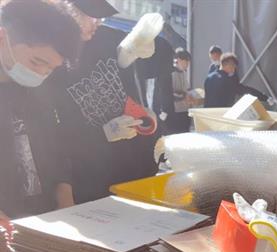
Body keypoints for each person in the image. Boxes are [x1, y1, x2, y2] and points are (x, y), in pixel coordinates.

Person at [40, 0, 160, 205]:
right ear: (67, 11)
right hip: (91, 175)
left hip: (134, 163)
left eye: (100, 16)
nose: (97, 22)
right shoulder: (52, 57)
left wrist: (147, 49)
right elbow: (56, 135)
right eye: (89, 15)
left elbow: (146, 70)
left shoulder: (108, 37)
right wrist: (103, 133)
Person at [0, 0, 81, 220]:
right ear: (2, 38)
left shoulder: (41, 90)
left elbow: (57, 149)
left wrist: (65, 197)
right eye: (36, 62)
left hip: (43, 219)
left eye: (51, 68)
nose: (41, 73)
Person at [204, 52, 268, 108]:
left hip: (207, 114)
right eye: (233, 66)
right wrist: (264, 97)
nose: (234, 69)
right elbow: (245, 90)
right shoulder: (227, 81)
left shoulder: (209, 77)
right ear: (228, 65)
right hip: (220, 114)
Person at [169, 47, 195, 133]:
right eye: (186, 61)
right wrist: (184, 96)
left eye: (188, 61)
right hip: (175, 112)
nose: (187, 64)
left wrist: (192, 95)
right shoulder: (171, 73)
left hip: (185, 110)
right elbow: (169, 94)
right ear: (179, 60)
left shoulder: (184, 73)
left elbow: (187, 89)